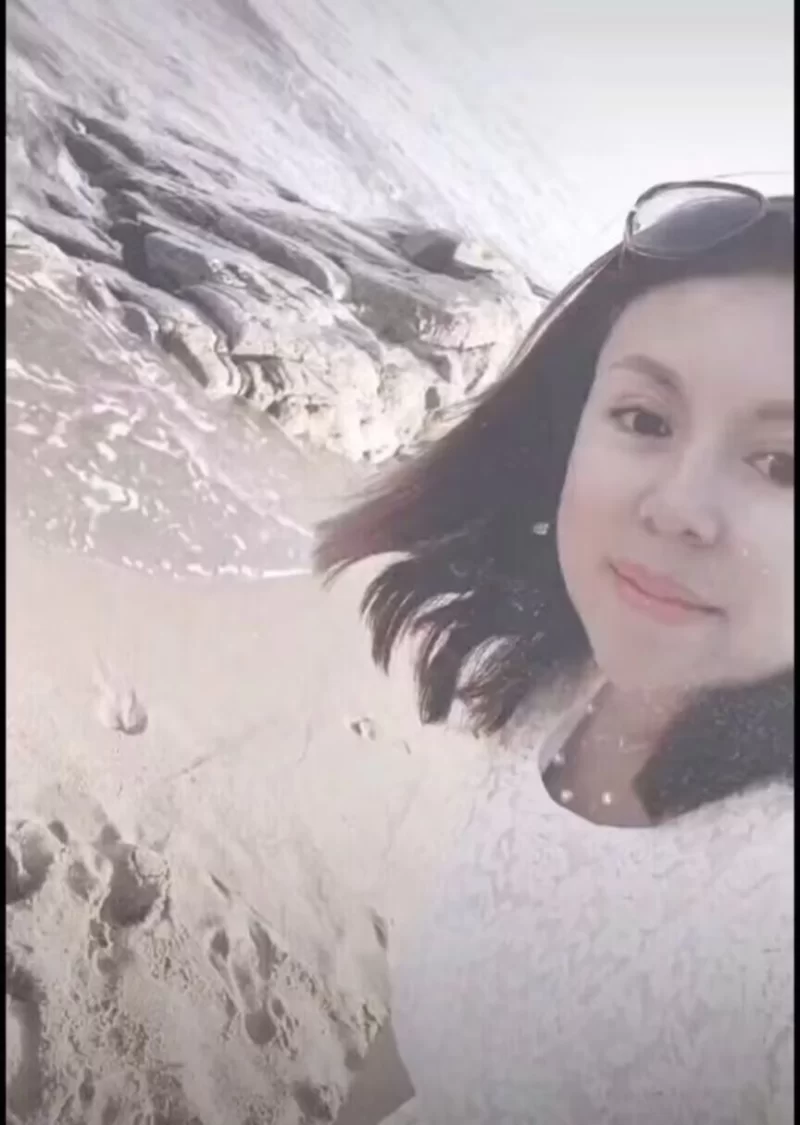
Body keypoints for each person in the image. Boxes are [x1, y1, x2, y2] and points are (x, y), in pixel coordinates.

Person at [317, 181, 794, 1125]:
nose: (676, 507)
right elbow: (416, 1047)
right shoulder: (563, 685)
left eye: (783, 464)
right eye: (645, 419)